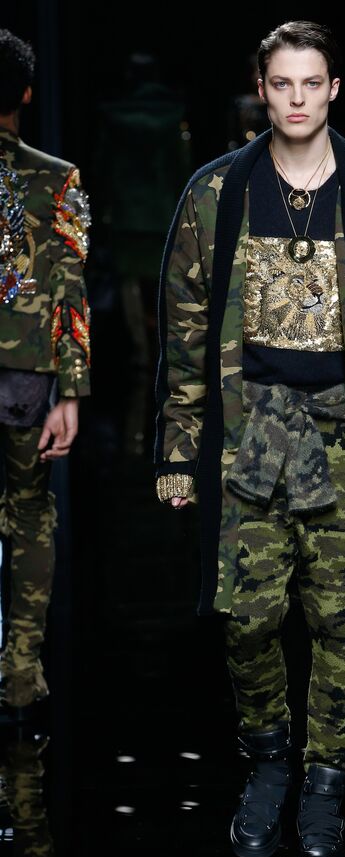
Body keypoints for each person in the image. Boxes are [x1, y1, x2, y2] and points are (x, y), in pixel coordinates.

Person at [154, 20, 345, 857]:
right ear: (261, 88)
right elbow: (184, 331)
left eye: (311, 83)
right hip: (253, 432)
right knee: (247, 620)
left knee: (341, 619)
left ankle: (325, 781)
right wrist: (178, 451)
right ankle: (269, 762)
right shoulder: (217, 193)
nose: (296, 100)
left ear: (334, 89)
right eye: (282, 84)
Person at [0, 29, 92, 710]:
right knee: (30, 514)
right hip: (26, 372)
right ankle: (20, 672)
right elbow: (70, 289)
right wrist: (72, 390)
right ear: (26, 94)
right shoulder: (57, 179)